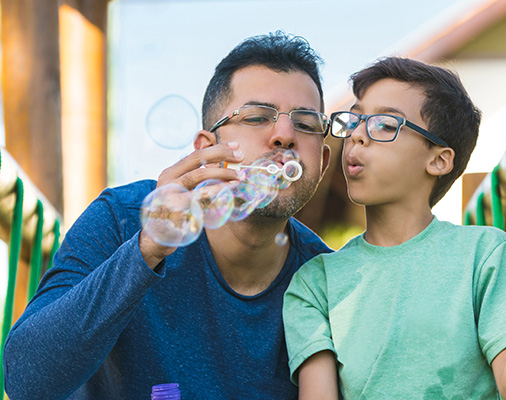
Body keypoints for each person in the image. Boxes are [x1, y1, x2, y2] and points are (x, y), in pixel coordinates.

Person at [3, 31, 332, 399]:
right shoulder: (122, 220)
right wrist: (147, 248)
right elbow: (24, 380)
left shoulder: (326, 280)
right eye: (257, 117)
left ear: (322, 159)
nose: (285, 135)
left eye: (306, 123)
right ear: (208, 149)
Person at [282, 57, 506, 399]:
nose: (357, 135)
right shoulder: (315, 282)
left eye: (385, 124)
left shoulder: (483, 253)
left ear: (439, 160)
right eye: (356, 119)